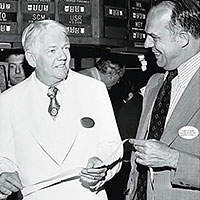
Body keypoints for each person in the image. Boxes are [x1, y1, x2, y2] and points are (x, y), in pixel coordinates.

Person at [0, 20, 123, 200]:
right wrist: (4, 174)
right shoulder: (9, 100)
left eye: (65, 48)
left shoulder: (94, 90)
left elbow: (113, 146)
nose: (63, 56)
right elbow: (4, 157)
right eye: (52, 50)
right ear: (32, 58)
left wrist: (101, 168)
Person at [126, 0, 200, 200]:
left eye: (154, 37)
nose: (146, 45)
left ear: (183, 38)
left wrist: (172, 158)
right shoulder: (154, 83)